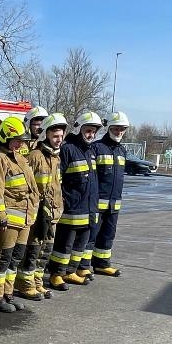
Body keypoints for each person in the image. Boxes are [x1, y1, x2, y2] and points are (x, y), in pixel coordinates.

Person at [0, 117, 39, 312]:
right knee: (1, 258)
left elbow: (32, 189)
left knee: (15, 258)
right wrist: (2, 216)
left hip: (25, 219)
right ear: (6, 137)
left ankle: (8, 293)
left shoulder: (21, 158)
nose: (20, 143)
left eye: (22, 140)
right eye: (17, 140)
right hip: (9, 221)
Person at [47, 111, 102, 290]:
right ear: (79, 129)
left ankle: (71, 271)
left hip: (88, 208)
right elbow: (58, 179)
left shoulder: (90, 150)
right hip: (71, 209)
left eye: (93, 131)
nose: (91, 134)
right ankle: (57, 274)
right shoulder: (68, 149)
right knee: (64, 245)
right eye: (88, 130)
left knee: (80, 245)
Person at [15, 113, 66, 299]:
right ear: (46, 135)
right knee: (33, 250)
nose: (58, 140)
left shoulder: (55, 157)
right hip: (38, 214)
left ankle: (37, 282)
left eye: (61, 136)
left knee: (45, 251)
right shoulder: (35, 156)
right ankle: (25, 284)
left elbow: (57, 186)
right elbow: (28, 187)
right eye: (55, 136)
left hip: (52, 213)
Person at [79, 111, 129, 277]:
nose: (119, 132)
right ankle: (83, 266)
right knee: (91, 236)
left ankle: (102, 264)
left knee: (108, 235)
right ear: (109, 128)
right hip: (97, 203)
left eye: (122, 129)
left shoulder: (122, 151)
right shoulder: (97, 148)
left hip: (114, 204)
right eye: (116, 129)